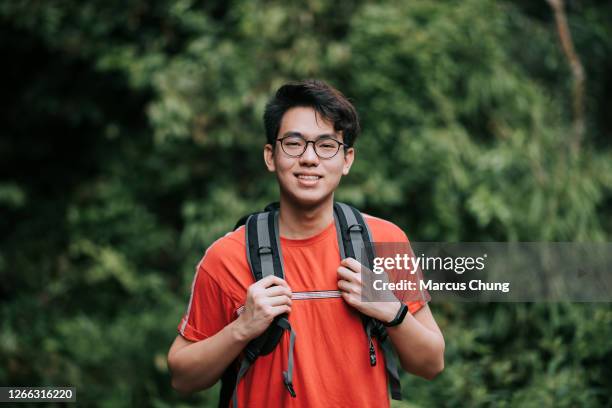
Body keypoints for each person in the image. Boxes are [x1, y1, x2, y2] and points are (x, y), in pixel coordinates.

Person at [167, 79, 445, 407]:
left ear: (347, 159)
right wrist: (242, 328)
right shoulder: (227, 257)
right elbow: (182, 377)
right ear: (271, 156)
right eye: (294, 144)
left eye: (326, 145)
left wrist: (392, 311)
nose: (309, 158)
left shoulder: (384, 241)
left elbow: (431, 364)